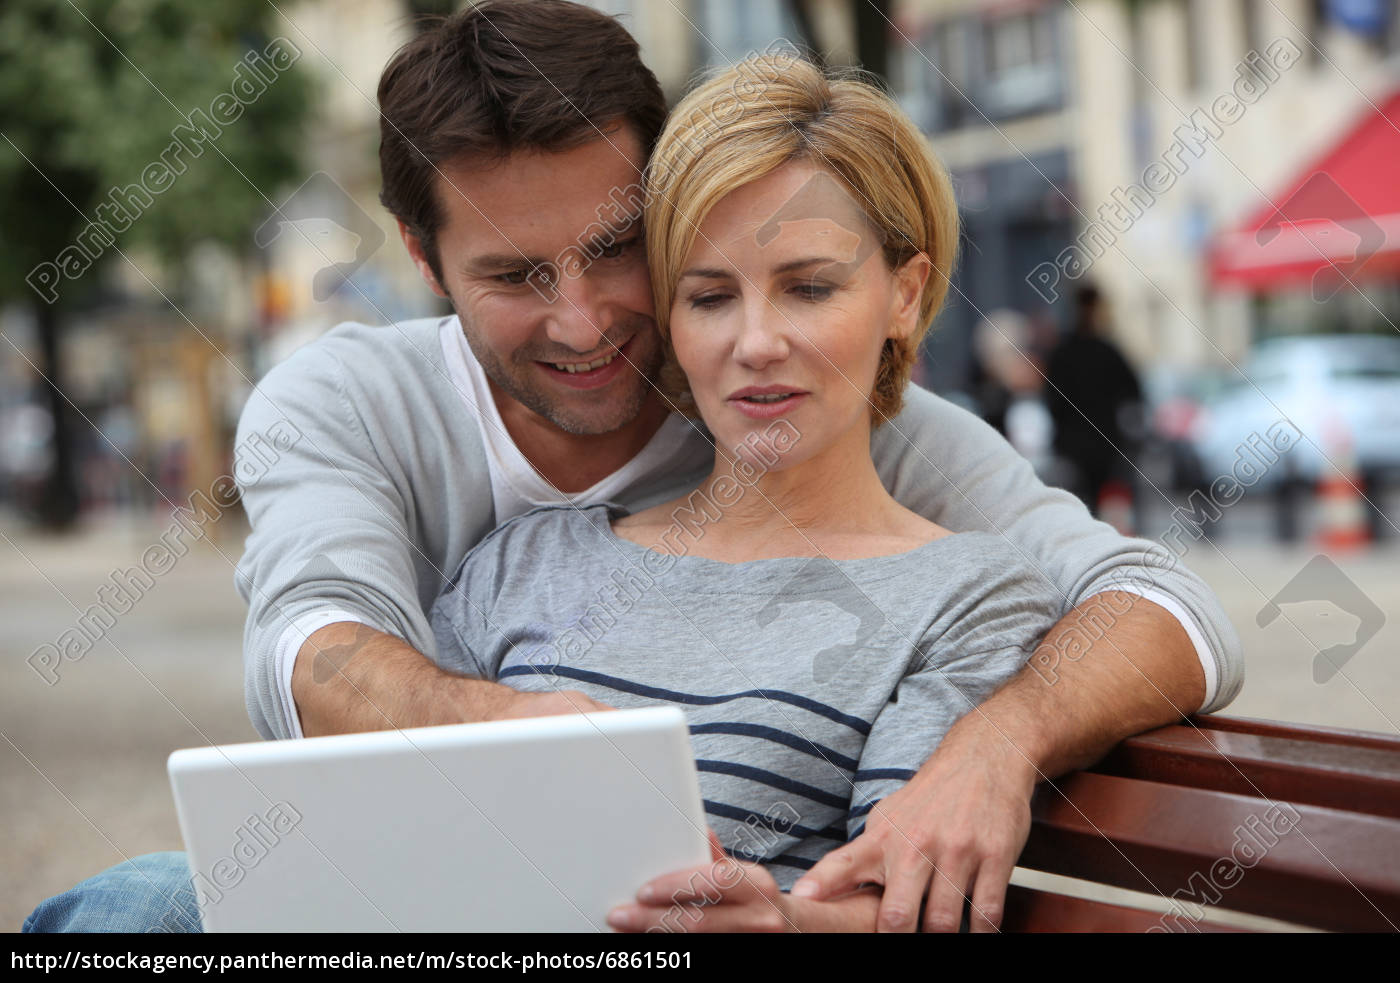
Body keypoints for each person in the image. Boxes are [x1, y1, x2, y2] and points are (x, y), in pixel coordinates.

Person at [25, 0, 1239, 935]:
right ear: (420, 257)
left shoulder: (854, 431)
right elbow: (311, 646)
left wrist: (998, 739)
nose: (582, 319)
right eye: (512, 274)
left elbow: (1170, 611)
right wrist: (538, 743)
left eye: (617, 251)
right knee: (144, 906)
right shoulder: (357, 411)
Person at [425, 55, 1070, 931]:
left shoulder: (966, 598)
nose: (757, 342)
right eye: (711, 296)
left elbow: (909, 908)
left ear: (905, 296)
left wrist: (784, 924)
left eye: (809, 287)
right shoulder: (524, 561)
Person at [1045, 284, 1145, 515]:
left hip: (1080, 443)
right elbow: (1134, 394)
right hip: (1099, 442)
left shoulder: (1065, 351)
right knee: (1096, 502)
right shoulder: (1103, 350)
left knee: (1082, 503)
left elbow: (1052, 399)